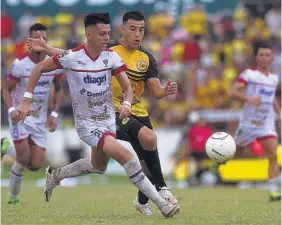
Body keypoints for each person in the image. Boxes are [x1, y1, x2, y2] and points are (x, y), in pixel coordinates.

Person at [18, 12, 180, 218]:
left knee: (99, 166)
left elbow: (127, 87)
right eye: (102, 33)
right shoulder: (75, 57)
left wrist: (128, 102)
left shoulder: (111, 57)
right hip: (88, 124)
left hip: (109, 120)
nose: (106, 37)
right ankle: (162, 202)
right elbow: (42, 67)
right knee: (128, 157)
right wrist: (26, 99)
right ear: (89, 34)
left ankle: (56, 175)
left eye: (107, 33)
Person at [213, 45, 281, 201]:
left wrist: (279, 114)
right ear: (257, 58)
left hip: (266, 123)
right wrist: (249, 99)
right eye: (261, 55)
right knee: (236, 153)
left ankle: (274, 189)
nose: (264, 58)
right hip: (249, 123)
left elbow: (272, 99)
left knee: (272, 155)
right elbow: (233, 92)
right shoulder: (249, 75)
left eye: (267, 55)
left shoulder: (273, 78)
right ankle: (219, 162)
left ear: (271, 59)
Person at [5, 23, 64, 204]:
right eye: (36, 38)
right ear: (29, 41)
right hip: (20, 116)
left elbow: (59, 89)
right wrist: (12, 110)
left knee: (35, 165)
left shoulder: (54, 64)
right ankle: (13, 199)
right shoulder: (20, 63)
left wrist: (54, 115)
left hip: (40, 119)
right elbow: (5, 90)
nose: (40, 42)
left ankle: (5, 146)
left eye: (44, 39)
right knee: (22, 158)